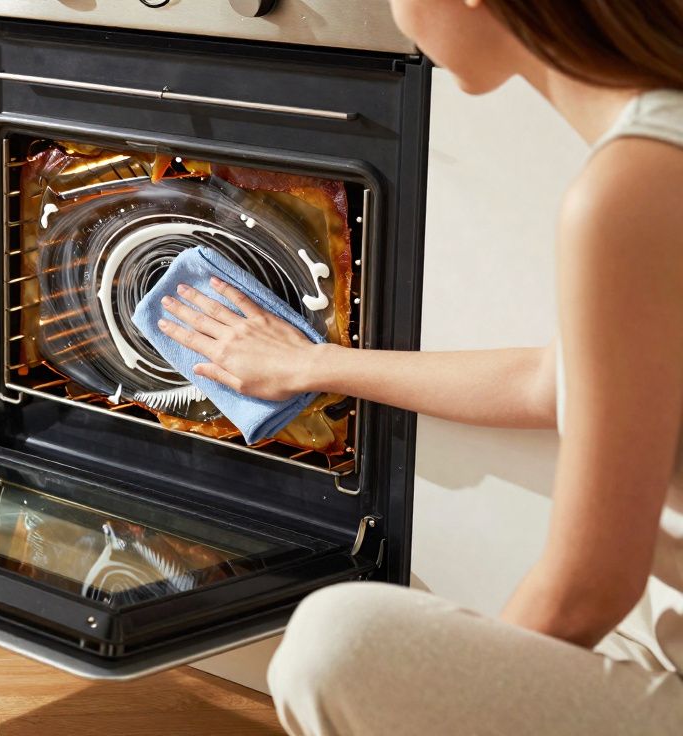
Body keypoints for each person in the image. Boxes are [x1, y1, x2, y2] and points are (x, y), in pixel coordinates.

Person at [155, 0, 683, 732]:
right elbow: (549, 380)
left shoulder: (632, 187)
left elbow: (588, 590)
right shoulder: (659, 145)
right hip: (658, 646)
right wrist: (314, 362)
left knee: (333, 645)